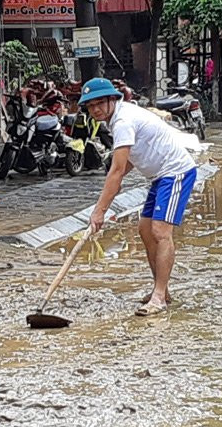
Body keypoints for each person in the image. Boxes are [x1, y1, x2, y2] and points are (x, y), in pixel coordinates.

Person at [80, 78, 197, 316]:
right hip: (159, 176)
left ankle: (159, 296)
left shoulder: (122, 120)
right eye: (90, 106)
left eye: (100, 103)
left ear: (113, 99)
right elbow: (128, 161)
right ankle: (161, 290)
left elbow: (116, 170)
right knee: (145, 230)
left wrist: (100, 210)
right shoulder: (117, 119)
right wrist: (114, 186)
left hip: (176, 173)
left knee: (160, 232)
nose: (95, 110)